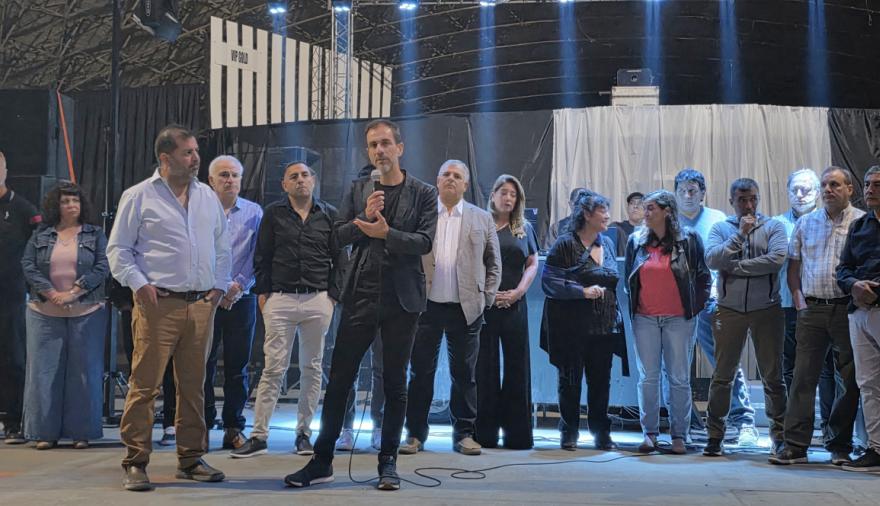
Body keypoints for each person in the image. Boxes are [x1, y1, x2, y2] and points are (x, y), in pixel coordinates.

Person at [285, 119, 437, 491]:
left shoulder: (423, 193)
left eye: (385, 143)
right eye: (372, 145)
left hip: (403, 300)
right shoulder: (358, 189)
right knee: (339, 380)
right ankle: (322, 461)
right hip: (361, 294)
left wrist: (388, 234)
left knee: (395, 382)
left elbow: (424, 242)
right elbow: (336, 237)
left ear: (400, 148)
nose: (379, 150)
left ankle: (388, 463)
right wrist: (364, 219)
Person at [107, 125, 231, 491]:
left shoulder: (207, 196)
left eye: (196, 152)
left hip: (201, 304)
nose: (196, 159)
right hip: (158, 304)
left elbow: (222, 246)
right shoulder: (138, 196)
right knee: (145, 385)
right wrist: (139, 284)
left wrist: (219, 286)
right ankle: (135, 460)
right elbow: (118, 250)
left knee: (194, 386)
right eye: (187, 152)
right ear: (166, 158)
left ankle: (191, 458)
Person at [231, 161, 338, 458]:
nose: (300, 180)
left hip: (318, 299)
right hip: (280, 298)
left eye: (305, 175)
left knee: (312, 367)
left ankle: (304, 434)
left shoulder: (330, 214)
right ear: (284, 184)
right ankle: (259, 435)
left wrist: (333, 296)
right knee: (273, 368)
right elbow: (262, 255)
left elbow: (339, 256)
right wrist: (264, 293)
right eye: (294, 176)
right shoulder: (273, 214)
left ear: (313, 180)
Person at [400, 160, 501, 456]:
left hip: (466, 309)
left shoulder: (482, 218)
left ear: (465, 185)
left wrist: (486, 299)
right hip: (425, 307)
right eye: (446, 174)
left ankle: (464, 434)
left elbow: (494, 264)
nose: (451, 179)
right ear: (437, 180)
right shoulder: (422, 214)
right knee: (420, 373)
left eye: (457, 176)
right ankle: (415, 435)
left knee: (465, 375)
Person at [769, 167, 863, 466]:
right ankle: (795, 445)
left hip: (848, 309)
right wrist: (799, 302)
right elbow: (794, 268)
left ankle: (839, 445)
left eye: (834, 184)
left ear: (849, 189)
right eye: (824, 185)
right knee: (803, 377)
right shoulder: (806, 223)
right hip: (811, 309)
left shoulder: (861, 222)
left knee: (848, 380)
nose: (828, 190)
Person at [702, 178, 788, 457]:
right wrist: (739, 235)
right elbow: (713, 260)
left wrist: (737, 267)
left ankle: (780, 437)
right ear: (732, 201)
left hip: (767, 309)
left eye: (753, 199)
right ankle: (715, 436)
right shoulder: (721, 228)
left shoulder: (773, 226)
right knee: (722, 376)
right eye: (742, 200)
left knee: (773, 376)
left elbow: (776, 260)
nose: (748, 205)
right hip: (729, 309)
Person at [20, 182, 109, 450]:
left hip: (86, 310)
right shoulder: (41, 234)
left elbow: (103, 265)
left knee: (84, 372)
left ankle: (82, 433)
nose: (71, 205)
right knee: (44, 372)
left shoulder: (95, 234)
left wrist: (74, 292)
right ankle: (43, 432)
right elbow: (28, 265)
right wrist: (51, 293)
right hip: (44, 311)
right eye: (65, 201)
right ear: (55, 206)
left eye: (75, 201)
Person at [624, 190, 711, 455]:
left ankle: (679, 436)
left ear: (667, 211)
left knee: (678, 377)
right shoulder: (636, 240)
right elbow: (629, 278)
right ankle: (649, 434)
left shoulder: (689, 239)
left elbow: (703, 277)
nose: (645, 213)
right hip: (645, 317)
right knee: (648, 377)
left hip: (679, 318)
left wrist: (693, 309)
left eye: (651, 208)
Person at [674, 168, 757, 445]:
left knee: (725, 363)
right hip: (677, 306)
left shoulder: (718, 219)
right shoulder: (669, 221)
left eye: (693, 190)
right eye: (682, 190)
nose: (688, 195)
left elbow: (730, 257)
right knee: (675, 368)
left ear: (703, 194)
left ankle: (743, 421)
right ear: (675, 194)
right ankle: (684, 424)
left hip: (711, 302)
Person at [541, 190, 627, 451]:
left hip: (604, 326)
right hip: (571, 327)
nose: (608, 216)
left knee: (600, 382)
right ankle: (569, 432)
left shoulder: (607, 243)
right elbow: (549, 281)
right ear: (587, 215)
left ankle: (601, 432)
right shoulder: (565, 244)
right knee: (570, 381)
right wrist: (582, 291)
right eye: (603, 211)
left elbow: (611, 277)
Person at [475, 174, 540, 449]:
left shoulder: (524, 228)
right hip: (485, 306)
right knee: (484, 368)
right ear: (493, 195)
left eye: (513, 194)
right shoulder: (481, 225)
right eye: (503, 192)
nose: (508, 198)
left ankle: (517, 436)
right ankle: (484, 434)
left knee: (517, 367)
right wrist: (487, 294)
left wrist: (518, 292)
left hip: (515, 304)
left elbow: (532, 263)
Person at [204, 155, 263, 450]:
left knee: (238, 367)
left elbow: (258, 254)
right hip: (206, 296)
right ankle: (202, 425)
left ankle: (233, 427)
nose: (230, 180)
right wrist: (219, 287)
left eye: (235, 175)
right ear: (211, 180)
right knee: (203, 365)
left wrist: (237, 286)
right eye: (224, 175)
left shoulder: (254, 212)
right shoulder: (199, 211)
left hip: (242, 297)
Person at [772, 169, 836, 414]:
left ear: (817, 192)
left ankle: (829, 423)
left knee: (827, 366)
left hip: (821, 303)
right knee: (789, 362)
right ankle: (794, 420)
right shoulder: (776, 224)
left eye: (806, 189)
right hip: (786, 303)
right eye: (794, 190)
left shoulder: (829, 221)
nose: (800, 195)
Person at [836, 165, 880, 472]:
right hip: (859, 312)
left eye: (877, 184)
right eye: (867, 184)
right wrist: (853, 285)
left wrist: (874, 290)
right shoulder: (860, 226)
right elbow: (843, 269)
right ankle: (876, 448)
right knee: (867, 383)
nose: (870, 189)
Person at [0, 150, 41, 444]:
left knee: (13, 358)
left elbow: (38, 254)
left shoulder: (23, 210)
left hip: (11, 297)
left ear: (5, 170)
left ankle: (14, 421)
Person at [611, 191, 645, 256]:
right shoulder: (617, 227)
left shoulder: (649, 232)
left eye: (640, 203)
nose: (635, 206)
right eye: (632, 203)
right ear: (628, 208)